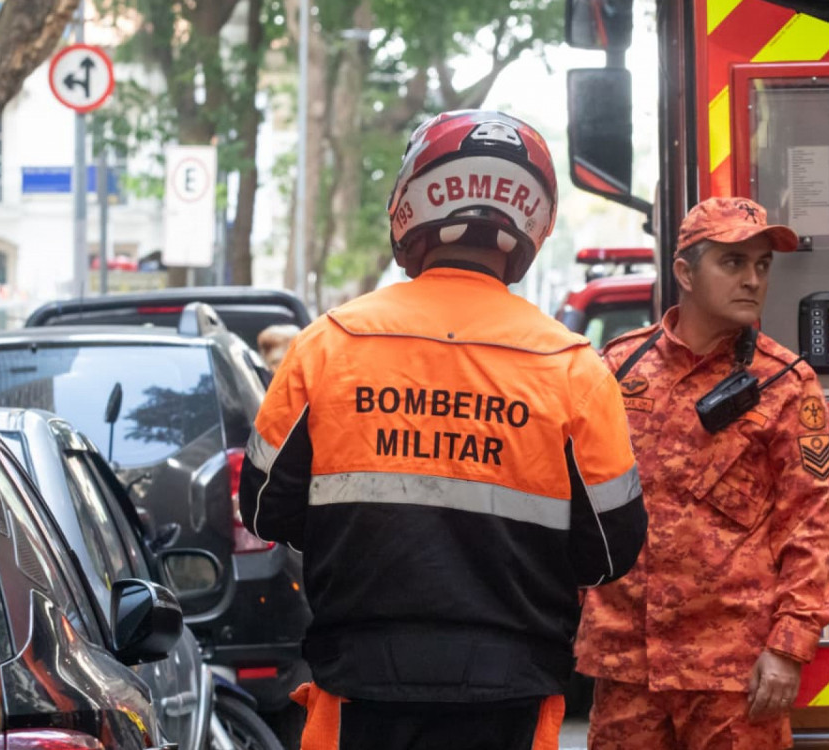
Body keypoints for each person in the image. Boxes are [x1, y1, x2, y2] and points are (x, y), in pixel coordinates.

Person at [237, 110, 647, 750]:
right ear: (530, 225)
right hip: (511, 694)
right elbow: (611, 550)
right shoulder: (571, 366)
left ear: (411, 208)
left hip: (359, 687)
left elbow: (265, 508)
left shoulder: (330, 343)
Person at [574, 196, 829, 750]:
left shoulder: (788, 385)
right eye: (732, 262)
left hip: (734, 673)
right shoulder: (619, 368)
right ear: (684, 273)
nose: (752, 279)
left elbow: (811, 527)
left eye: (762, 265)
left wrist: (788, 648)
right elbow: (577, 499)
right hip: (628, 665)